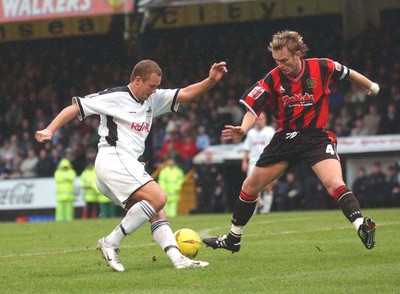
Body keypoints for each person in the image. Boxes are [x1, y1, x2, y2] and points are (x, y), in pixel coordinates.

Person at [35, 59, 227, 271]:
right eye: (151, 86)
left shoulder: (152, 100)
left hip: (123, 166)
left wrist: (210, 80)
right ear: (137, 80)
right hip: (113, 159)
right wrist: (50, 130)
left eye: (156, 86)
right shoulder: (115, 97)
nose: (154, 91)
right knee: (159, 198)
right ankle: (110, 242)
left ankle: (178, 259)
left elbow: (186, 93)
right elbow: (74, 107)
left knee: (157, 210)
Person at [203, 30, 378, 253]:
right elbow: (252, 108)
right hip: (286, 138)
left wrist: (371, 87)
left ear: (298, 54)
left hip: (315, 137)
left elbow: (349, 73)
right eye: (276, 61)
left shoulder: (322, 67)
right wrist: (243, 129)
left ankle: (360, 226)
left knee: (335, 183)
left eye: (284, 60)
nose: (280, 65)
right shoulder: (272, 77)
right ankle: (233, 239)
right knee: (249, 186)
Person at [241, 111, 275, 214]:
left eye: (261, 119)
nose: (259, 121)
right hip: (253, 163)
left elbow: (275, 147)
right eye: (258, 119)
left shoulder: (270, 131)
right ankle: (254, 210)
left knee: (267, 186)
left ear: (265, 120)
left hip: (266, 162)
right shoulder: (251, 133)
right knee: (251, 187)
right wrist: (244, 162)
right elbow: (246, 149)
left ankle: (265, 210)